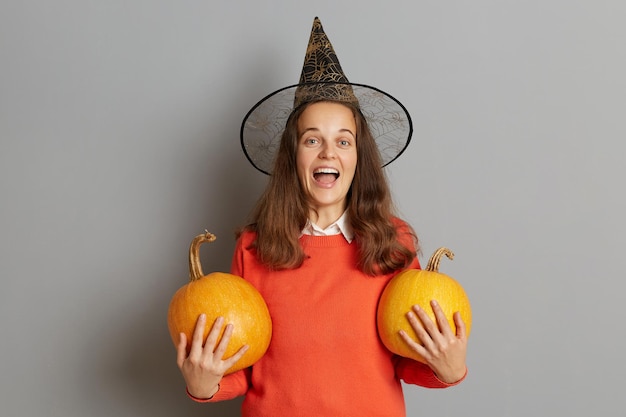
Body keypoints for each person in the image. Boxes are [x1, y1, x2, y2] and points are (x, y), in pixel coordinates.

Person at [175, 17, 468, 417]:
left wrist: (448, 369)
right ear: (293, 156)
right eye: (312, 139)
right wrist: (202, 383)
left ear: (357, 158)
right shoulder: (254, 247)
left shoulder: (394, 243)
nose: (328, 153)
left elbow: (407, 359)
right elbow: (241, 367)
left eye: (343, 141)